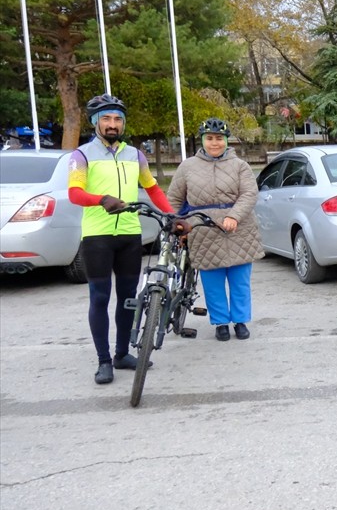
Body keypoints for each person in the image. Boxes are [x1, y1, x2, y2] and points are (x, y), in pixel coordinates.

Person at [67, 94, 177, 384]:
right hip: (97, 236)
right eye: (106, 118)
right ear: (95, 123)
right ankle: (104, 361)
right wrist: (102, 199)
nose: (112, 124)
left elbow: (152, 189)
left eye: (117, 119)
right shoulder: (82, 155)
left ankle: (121, 353)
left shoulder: (135, 154)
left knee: (129, 298)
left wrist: (172, 215)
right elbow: (74, 193)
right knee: (100, 298)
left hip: (130, 234)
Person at [167, 118, 264, 341]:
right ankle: (220, 322)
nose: (214, 143)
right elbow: (174, 197)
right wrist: (173, 222)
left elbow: (249, 193)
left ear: (226, 141)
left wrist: (234, 215)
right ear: (202, 140)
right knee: (213, 281)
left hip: (238, 228)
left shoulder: (240, 166)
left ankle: (240, 320)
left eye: (219, 138)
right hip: (203, 228)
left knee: (240, 280)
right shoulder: (188, 166)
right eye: (209, 138)